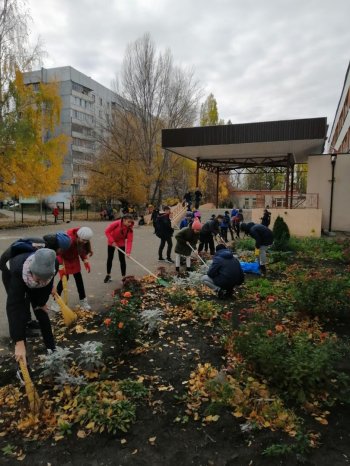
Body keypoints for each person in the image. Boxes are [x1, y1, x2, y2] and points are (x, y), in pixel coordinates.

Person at [0, 232, 71, 332]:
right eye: (63, 250)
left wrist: (51, 285)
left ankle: (28, 322)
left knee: (27, 297)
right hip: (11, 271)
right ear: (59, 247)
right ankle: (21, 329)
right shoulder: (40, 247)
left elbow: (45, 271)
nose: (62, 252)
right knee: (20, 300)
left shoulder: (48, 250)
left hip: (22, 270)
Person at [6, 248, 58, 365]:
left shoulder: (54, 264)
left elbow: (45, 288)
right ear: (32, 269)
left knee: (40, 310)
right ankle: (23, 366)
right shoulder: (18, 270)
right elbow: (14, 307)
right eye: (38, 278)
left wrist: (41, 303)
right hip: (10, 273)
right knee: (22, 313)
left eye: (43, 279)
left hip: (35, 277)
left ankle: (52, 349)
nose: (38, 281)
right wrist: (19, 341)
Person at [52, 227, 93, 311]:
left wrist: (85, 260)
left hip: (74, 259)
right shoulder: (68, 240)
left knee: (79, 279)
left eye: (86, 241)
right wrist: (60, 267)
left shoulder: (81, 241)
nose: (85, 242)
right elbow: (59, 253)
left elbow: (81, 250)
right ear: (78, 236)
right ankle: (56, 302)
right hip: (63, 259)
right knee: (64, 279)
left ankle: (83, 301)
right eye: (83, 240)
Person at [104, 214, 134, 283]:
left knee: (122, 259)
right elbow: (107, 231)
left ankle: (123, 277)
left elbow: (129, 241)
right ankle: (108, 275)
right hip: (112, 241)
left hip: (121, 242)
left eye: (131, 222)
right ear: (124, 220)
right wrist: (112, 241)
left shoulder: (130, 228)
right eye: (128, 222)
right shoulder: (116, 223)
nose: (130, 224)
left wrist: (128, 252)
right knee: (110, 258)